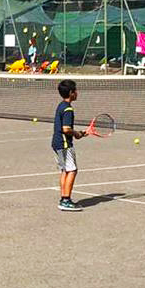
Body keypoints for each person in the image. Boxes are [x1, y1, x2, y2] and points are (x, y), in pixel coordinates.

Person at [53, 78, 87, 212]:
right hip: (64, 144)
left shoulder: (61, 105)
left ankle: (64, 198)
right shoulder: (68, 109)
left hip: (57, 142)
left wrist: (78, 133)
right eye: (76, 91)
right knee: (72, 170)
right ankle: (66, 200)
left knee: (65, 171)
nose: (77, 93)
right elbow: (66, 129)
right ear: (71, 93)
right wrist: (76, 134)